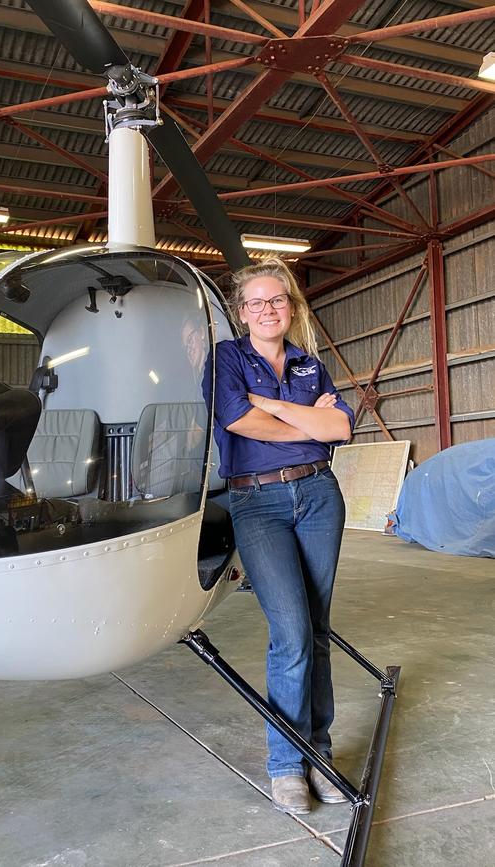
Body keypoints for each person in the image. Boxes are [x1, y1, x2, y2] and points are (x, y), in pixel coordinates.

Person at [211, 258, 354, 815]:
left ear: (290, 308)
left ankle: (320, 753)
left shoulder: (309, 365)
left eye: (277, 301)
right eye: (256, 302)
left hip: (319, 495)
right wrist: (301, 421)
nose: (267, 310)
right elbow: (237, 421)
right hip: (256, 501)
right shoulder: (226, 358)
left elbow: (339, 428)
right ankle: (286, 764)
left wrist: (270, 405)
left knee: (315, 630)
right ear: (241, 312)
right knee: (290, 632)